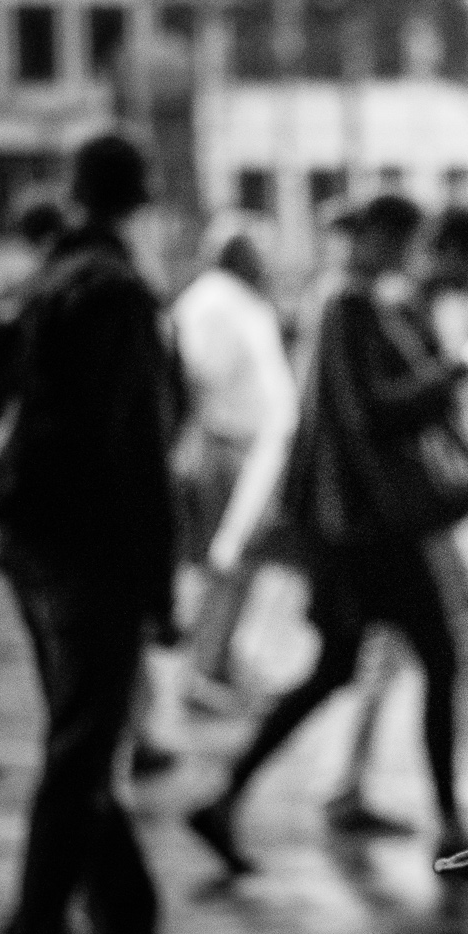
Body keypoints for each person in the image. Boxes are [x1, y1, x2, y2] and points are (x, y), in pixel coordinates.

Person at [187, 196, 468, 872]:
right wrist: (446, 379)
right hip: (364, 529)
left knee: (338, 668)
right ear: (369, 237)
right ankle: (452, 821)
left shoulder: (347, 302)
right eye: (396, 236)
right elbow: (365, 414)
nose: (403, 250)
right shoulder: (347, 304)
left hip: (350, 528)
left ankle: (223, 799)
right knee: (439, 655)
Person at [0, 134, 177, 934]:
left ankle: (128, 921)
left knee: (82, 736)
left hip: (29, 539)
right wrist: (161, 580)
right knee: (80, 751)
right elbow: (136, 445)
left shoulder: (43, 279)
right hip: (90, 548)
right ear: (138, 198)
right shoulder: (119, 291)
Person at [323, 205, 468, 832]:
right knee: (453, 645)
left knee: (404, 649)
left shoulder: (404, 306)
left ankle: (355, 781)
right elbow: (404, 412)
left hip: (411, 511)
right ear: (450, 251)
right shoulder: (390, 308)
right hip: (406, 514)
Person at [170, 217, 297, 705]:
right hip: (228, 448)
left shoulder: (239, 300)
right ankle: (202, 671)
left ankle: (221, 660)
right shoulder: (212, 303)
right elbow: (203, 377)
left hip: (256, 449)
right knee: (224, 563)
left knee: (245, 565)